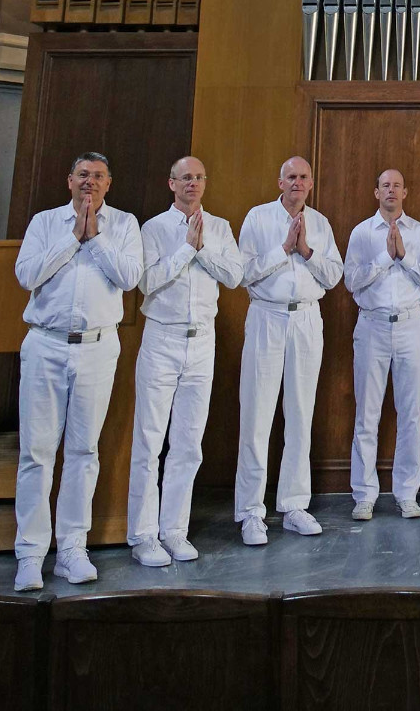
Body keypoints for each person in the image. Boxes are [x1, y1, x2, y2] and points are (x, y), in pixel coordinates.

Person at [12, 152, 143, 591]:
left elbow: (129, 277)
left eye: (99, 176)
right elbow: (26, 274)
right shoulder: (45, 222)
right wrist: (73, 238)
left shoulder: (124, 224)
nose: (90, 181)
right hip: (46, 344)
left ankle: (71, 548)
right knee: (36, 453)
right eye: (83, 174)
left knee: (84, 451)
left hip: (97, 347)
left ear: (109, 183)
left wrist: (96, 239)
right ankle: (31, 553)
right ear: (69, 180)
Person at [127, 156, 243, 566]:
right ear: (171, 183)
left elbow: (234, 276)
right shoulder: (153, 228)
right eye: (185, 178)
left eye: (198, 177)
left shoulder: (220, 228)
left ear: (205, 183)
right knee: (149, 439)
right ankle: (143, 535)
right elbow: (146, 281)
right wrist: (185, 251)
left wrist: (202, 248)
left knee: (189, 442)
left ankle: (174, 529)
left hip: (202, 340)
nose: (192, 183)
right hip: (162, 337)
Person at [234, 157, 343, 546]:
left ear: (311, 183)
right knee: (257, 414)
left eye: (304, 177)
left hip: (307, 319)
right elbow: (243, 273)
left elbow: (334, 276)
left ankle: (295, 505)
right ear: (280, 182)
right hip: (267, 316)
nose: (297, 182)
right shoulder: (258, 218)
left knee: (300, 412)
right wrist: (284, 249)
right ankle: (251, 512)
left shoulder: (321, 223)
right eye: (291, 177)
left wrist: (307, 250)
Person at [345, 168, 420, 520]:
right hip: (372, 325)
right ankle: (364, 495)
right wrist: (385, 258)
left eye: (397, 186)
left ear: (405, 192)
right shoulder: (362, 232)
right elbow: (351, 281)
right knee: (367, 414)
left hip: (410, 326)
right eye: (385, 185)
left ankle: (406, 493)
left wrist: (404, 256)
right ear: (376, 192)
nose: (391, 190)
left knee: (410, 413)